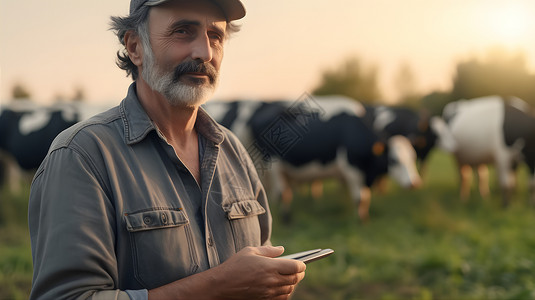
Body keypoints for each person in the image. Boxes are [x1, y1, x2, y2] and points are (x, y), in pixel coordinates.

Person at [28, 0, 306, 299]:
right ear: (135, 47)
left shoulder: (234, 151)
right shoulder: (82, 156)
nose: (205, 52)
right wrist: (219, 286)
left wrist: (270, 285)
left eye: (216, 36)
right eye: (183, 31)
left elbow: (258, 270)